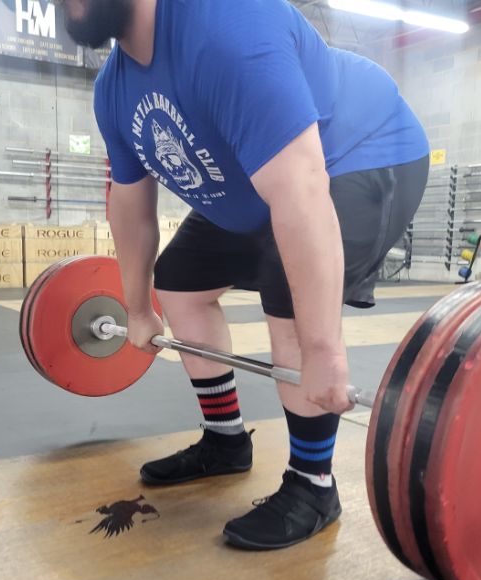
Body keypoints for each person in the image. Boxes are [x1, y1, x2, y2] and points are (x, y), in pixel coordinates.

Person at [66, 0, 429, 550]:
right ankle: (225, 442)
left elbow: (302, 188)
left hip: (357, 152)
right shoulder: (113, 91)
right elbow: (130, 208)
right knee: (180, 283)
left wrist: (324, 354)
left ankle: (313, 484)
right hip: (258, 180)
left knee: (290, 296)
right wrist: (138, 308)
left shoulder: (228, 24)